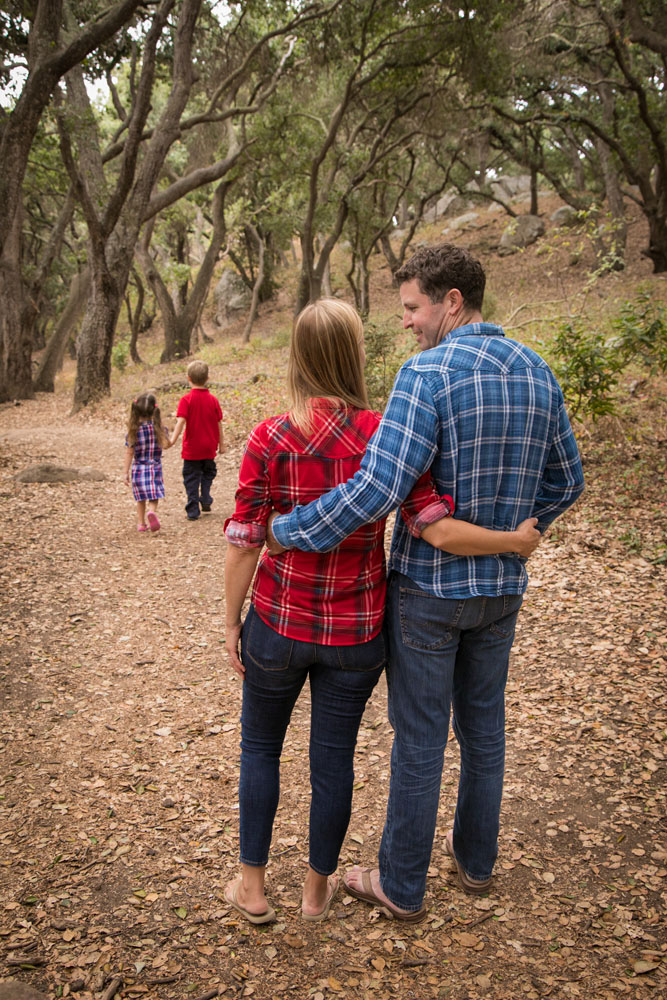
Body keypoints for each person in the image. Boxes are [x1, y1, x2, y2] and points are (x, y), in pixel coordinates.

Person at [269, 245, 585, 921]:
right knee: (484, 731)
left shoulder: (426, 375)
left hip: (430, 591)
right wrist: (521, 533)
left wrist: (290, 530)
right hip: (500, 589)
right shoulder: (536, 370)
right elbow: (568, 480)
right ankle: (475, 862)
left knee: (418, 737)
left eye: (411, 307)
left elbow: (378, 488)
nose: (406, 321)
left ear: (450, 302)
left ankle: (401, 885)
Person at [170, 360, 224, 520]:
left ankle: (193, 510)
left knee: (191, 478)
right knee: (208, 473)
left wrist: (172, 440)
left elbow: (180, 422)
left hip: (192, 449)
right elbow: (219, 423)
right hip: (209, 448)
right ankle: (205, 498)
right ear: (208, 378)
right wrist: (222, 444)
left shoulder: (186, 400)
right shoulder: (213, 400)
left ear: (188, 378)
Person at [124, 392, 171, 532]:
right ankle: (152, 511)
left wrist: (125, 472)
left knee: (140, 498)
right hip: (154, 467)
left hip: (138, 469)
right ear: (154, 410)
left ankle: (141, 524)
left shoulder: (133, 431)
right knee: (154, 494)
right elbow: (166, 445)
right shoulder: (160, 430)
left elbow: (129, 452)